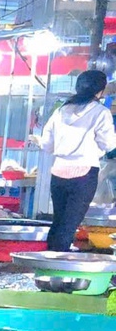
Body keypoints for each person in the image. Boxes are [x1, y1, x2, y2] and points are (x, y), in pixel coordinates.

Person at [35, 69, 116, 252]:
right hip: (84, 173)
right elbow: (109, 143)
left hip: (59, 172)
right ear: (100, 91)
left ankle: (49, 262)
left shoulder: (61, 111)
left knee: (59, 221)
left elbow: (47, 144)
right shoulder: (100, 112)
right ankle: (59, 266)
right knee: (69, 224)